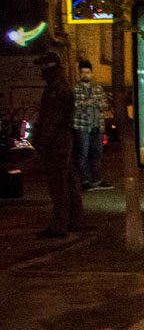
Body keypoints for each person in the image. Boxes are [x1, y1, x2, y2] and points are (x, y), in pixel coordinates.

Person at [32, 52, 84, 238]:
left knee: (58, 184)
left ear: (49, 67)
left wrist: (41, 143)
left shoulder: (56, 89)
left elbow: (51, 120)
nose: (40, 70)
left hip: (57, 142)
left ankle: (59, 225)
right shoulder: (61, 86)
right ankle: (74, 220)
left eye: (42, 66)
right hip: (64, 139)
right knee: (69, 180)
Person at [73, 60, 111, 191]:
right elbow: (74, 107)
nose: (85, 75)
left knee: (97, 154)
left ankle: (96, 180)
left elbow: (105, 105)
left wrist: (93, 103)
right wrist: (85, 103)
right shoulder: (75, 89)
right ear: (79, 74)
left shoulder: (98, 88)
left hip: (97, 126)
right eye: (82, 72)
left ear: (92, 74)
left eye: (87, 72)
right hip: (82, 126)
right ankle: (84, 180)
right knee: (83, 154)